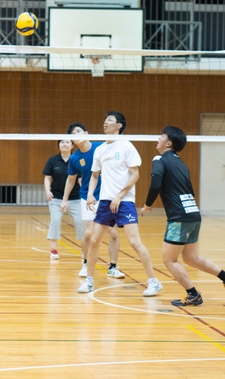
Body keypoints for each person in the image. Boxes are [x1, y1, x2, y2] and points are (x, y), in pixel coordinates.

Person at [141, 126, 225, 306]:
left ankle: (193, 294)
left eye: (161, 135)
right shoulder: (181, 163)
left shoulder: (160, 159)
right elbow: (190, 190)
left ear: (168, 143)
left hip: (180, 216)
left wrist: (147, 205)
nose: (158, 137)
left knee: (169, 259)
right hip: (193, 213)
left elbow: (155, 184)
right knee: (190, 258)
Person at [78, 112, 163, 296]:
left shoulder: (126, 146)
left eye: (110, 120)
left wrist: (119, 196)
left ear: (119, 126)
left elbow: (135, 175)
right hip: (105, 202)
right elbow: (94, 175)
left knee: (134, 242)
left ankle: (153, 281)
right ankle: (89, 281)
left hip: (124, 202)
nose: (105, 122)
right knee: (94, 241)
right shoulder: (100, 149)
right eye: (105, 119)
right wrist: (91, 194)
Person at [61, 122, 120, 277]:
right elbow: (71, 180)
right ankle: (86, 264)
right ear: (72, 141)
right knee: (87, 234)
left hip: (107, 196)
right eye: (72, 135)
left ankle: (113, 267)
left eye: (78, 131)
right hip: (86, 197)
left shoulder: (101, 147)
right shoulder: (74, 158)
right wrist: (64, 199)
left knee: (112, 233)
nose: (76, 135)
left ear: (86, 133)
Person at [43, 139, 84, 260]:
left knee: (80, 222)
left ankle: (84, 249)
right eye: (61, 142)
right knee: (55, 220)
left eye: (67, 142)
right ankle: (53, 250)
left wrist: (86, 194)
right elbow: (47, 178)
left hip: (75, 198)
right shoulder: (52, 160)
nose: (64, 144)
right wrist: (47, 190)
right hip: (56, 198)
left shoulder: (77, 160)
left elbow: (80, 180)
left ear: (72, 145)